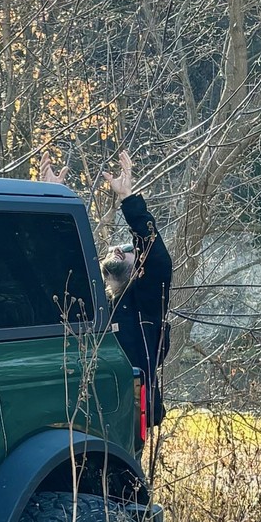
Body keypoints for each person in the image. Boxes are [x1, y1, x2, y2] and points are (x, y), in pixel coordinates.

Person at [41, 149, 172, 426]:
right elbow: (55, 262)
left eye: (128, 249)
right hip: (72, 416)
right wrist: (51, 201)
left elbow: (157, 258)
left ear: (140, 268)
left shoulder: (145, 305)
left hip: (123, 419)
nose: (117, 249)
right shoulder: (86, 300)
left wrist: (129, 200)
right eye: (114, 248)